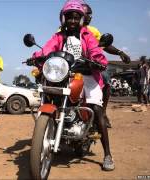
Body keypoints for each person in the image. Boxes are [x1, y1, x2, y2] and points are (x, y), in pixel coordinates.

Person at [31, 0, 114, 171]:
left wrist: (97, 61)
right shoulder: (59, 36)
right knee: (49, 94)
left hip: (87, 74)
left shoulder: (87, 35)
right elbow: (48, 48)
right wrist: (37, 56)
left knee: (97, 110)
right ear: (63, 18)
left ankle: (107, 155)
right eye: (69, 17)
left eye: (76, 18)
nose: (72, 21)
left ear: (82, 19)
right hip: (64, 73)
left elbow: (95, 51)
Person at [82, 3, 131, 128]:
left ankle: (102, 112)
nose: (89, 17)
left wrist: (119, 52)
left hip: (91, 64)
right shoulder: (65, 28)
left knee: (105, 79)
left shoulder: (93, 31)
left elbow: (104, 45)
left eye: (90, 14)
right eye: (86, 13)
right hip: (71, 64)